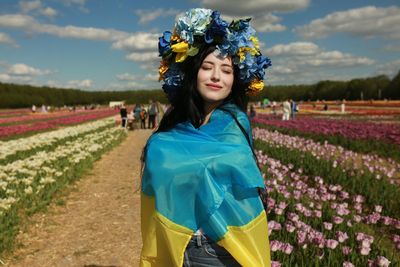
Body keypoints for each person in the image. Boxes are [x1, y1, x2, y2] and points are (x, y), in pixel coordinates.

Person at [140, 8, 271, 267]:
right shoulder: (172, 128)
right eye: (207, 67)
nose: (216, 77)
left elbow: (227, 177)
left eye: (226, 70)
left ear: (235, 79)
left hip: (220, 251)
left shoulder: (236, 124)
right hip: (176, 245)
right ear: (192, 73)